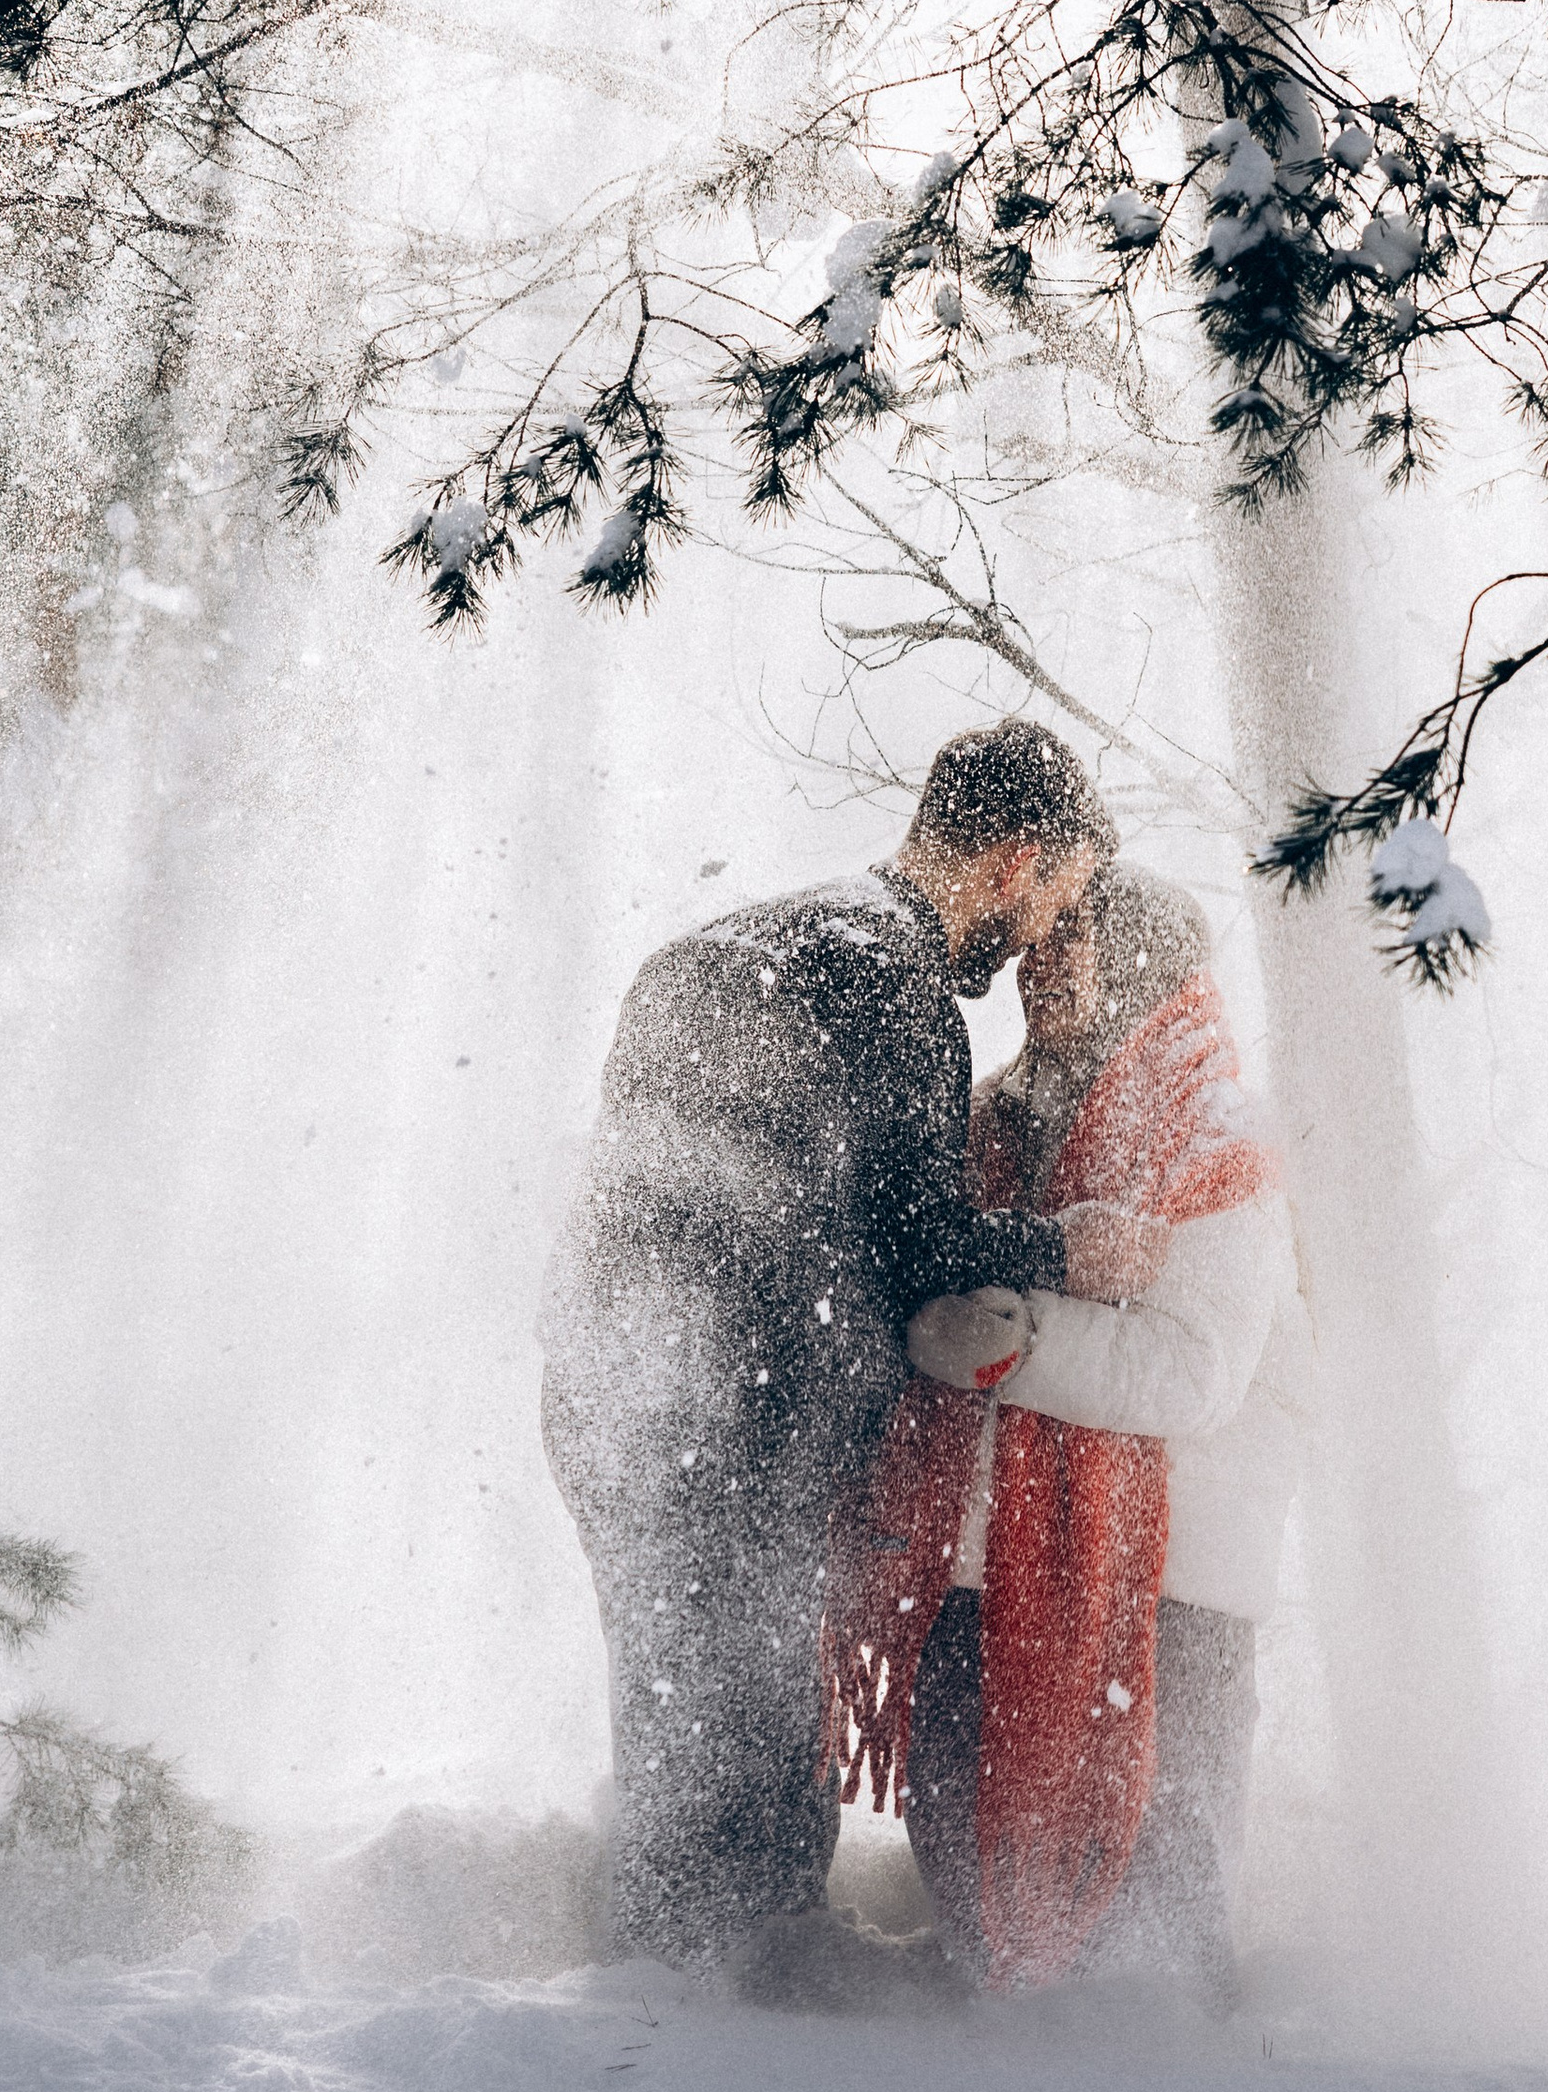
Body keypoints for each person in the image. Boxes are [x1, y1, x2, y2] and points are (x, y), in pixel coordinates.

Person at [539, 720, 1150, 1975]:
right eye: (1058, 900)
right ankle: (730, 2027)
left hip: (606, 1378)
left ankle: (654, 1993)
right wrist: (1065, 1250)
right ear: (1014, 861)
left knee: (672, 1706)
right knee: (754, 1758)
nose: (1042, 934)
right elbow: (915, 1240)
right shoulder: (891, 982)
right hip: (739, 1406)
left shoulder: (717, 947)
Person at [823, 866, 1311, 2001]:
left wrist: (1012, 1343)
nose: (1040, 963)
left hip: (1169, 1586)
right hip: (981, 1562)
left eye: (1074, 943)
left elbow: (1194, 1370)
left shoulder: (1215, 1139)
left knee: (1155, 1894)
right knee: (968, 1869)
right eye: (1042, 941)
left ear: (1140, 967)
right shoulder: (993, 1116)